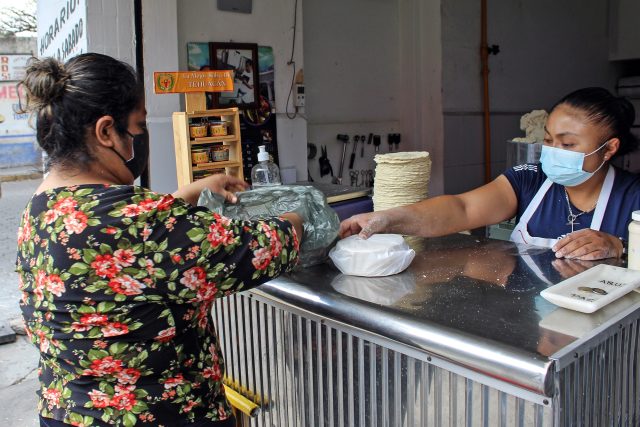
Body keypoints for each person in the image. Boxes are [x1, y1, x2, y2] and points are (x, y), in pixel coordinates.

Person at [15, 53, 303, 427]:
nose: (142, 136)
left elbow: (120, 236)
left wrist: (189, 193)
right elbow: (263, 246)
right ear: (106, 132)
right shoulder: (142, 221)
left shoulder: (41, 208)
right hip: (158, 416)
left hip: (66, 413)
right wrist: (298, 213)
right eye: (138, 124)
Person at [341, 87, 640, 261]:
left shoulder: (633, 196)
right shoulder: (529, 179)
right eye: (548, 139)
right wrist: (389, 219)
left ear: (609, 148)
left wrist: (620, 246)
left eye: (568, 143)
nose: (553, 150)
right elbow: (462, 208)